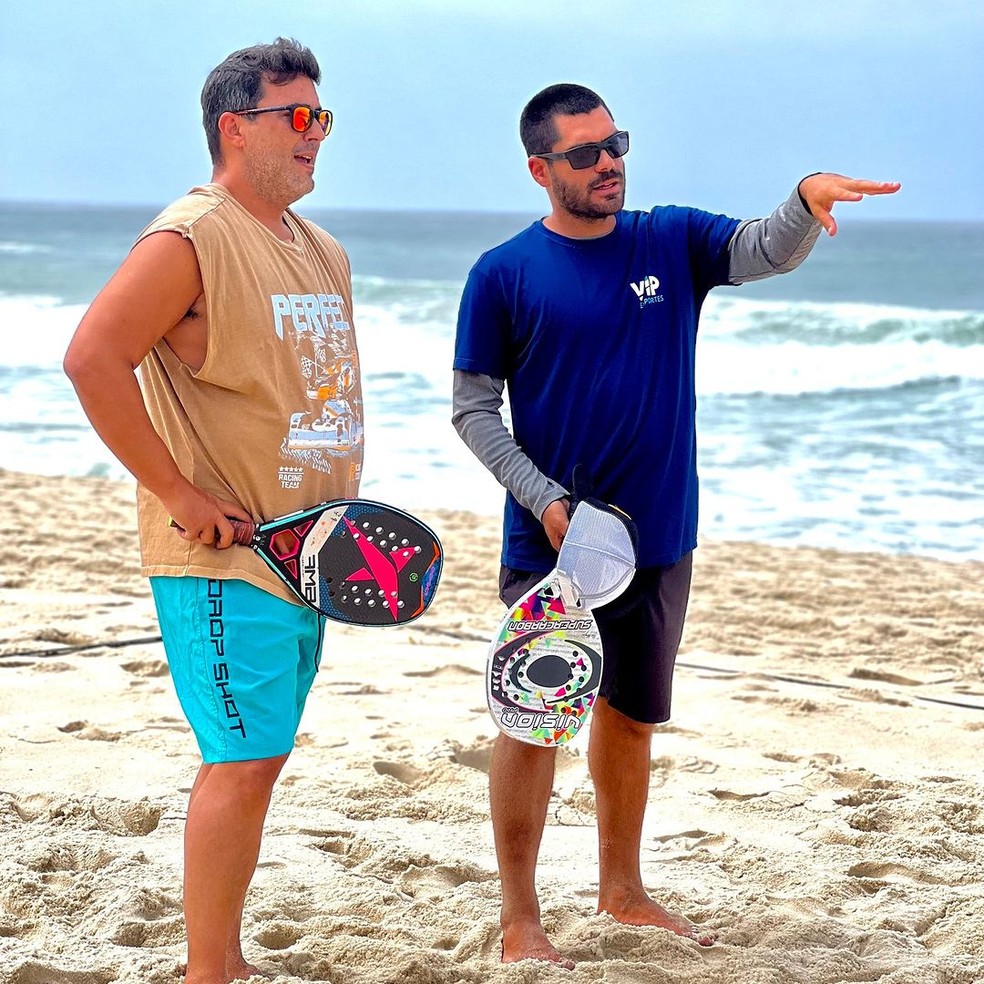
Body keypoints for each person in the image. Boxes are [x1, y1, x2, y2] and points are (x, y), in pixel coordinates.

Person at [452, 83, 899, 968]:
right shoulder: (502, 273)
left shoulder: (670, 238)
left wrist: (805, 198)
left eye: (615, 142)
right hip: (553, 545)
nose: (609, 161)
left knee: (629, 714)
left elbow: (760, 249)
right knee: (535, 719)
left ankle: (622, 890)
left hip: (658, 532)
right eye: (584, 152)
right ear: (542, 169)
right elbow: (473, 410)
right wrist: (542, 498)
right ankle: (519, 918)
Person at [63, 38, 363, 984]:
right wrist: (180, 494)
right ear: (236, 127)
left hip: (308, 557)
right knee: (239, 760)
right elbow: (91, 357)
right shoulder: (190, 236)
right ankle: (209, 972)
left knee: (261, 758)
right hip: (225, 561)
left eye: (324, 117)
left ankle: (221, 960)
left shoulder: (321, 248)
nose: (317, 135)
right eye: (298, 117)